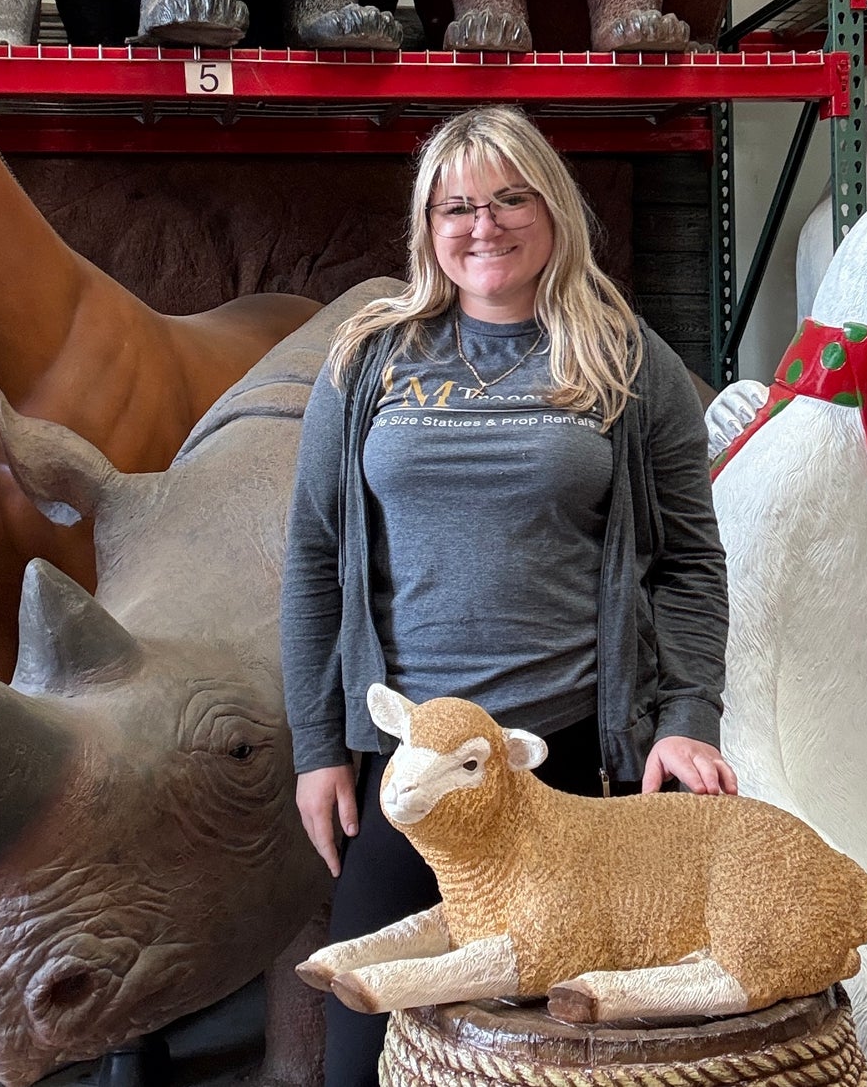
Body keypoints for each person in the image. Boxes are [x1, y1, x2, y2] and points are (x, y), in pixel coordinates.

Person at [280, 105, 734, 1087]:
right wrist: (317, 749)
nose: (481, 224)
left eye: (507, 197)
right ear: (427, 228)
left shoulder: (624, 357)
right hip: (406, 772)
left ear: (551, 209)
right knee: (365, 1053)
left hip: (566, 766)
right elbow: (314, 560)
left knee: (554, 1052)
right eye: (455, 206)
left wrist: (685, 716)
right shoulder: (369, 359)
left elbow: (690, 561)